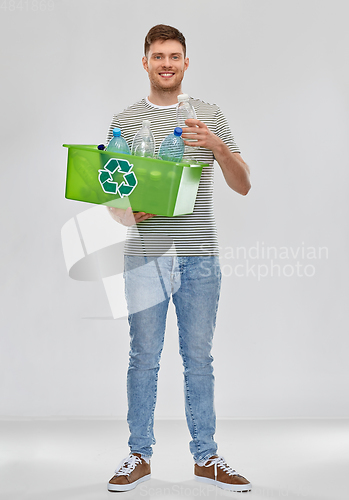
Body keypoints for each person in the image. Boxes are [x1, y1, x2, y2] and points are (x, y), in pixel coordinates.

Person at [106, 24, 252, 493]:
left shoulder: (208, 115)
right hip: (145, 257)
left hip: (199, 258)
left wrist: (216, 145)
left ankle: (206, 458)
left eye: (174, 56)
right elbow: (112, 202)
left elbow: (244, 182)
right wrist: (129, 211)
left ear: (186, 63)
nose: (166, 63)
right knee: (143, 358)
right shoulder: (125, 121)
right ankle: (138, 455)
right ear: (145, 62)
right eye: (158, 56)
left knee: (199, 360)